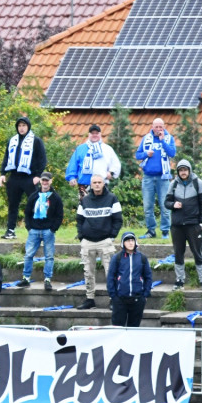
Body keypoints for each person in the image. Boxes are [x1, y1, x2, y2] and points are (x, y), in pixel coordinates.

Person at [75, 174, 122, 310]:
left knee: (111, 272)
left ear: (103, 183)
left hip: (105, 241)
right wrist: (81, 236)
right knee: (88, 272)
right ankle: (90, 299)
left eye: (99, 182)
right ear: (91, 184)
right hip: (87, 241)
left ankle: (113, 299)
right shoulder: (85, 200)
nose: (96, 184)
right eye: (94, 182)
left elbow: (118, 219)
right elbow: (79, 219)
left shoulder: (112, 198)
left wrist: (112, 236)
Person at [165, 159, 202, 292]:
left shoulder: (198, 183)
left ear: (189, 170)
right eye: (181, 170)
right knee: (178, 253)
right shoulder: (173, 184)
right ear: (178, 172)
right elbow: (166, 202)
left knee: (198, 252)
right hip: (177, 225)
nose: (183, 172)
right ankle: (179, 281)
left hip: (193, 225)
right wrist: (173, 205)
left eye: (185, 170)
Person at [0, 116, 46, 239]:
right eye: (19, 126)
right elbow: (6, 157)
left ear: (28, 127)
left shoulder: (36, 141)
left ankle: (36, 230)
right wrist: (2, 173)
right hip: (14, 177)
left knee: (34, 204)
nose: (21, 128)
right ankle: (10, 230)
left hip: (29, 177)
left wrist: (38, 176)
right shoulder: (12, 141)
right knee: (13, 204)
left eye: (24, 125)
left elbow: (42, 160)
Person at [21, 171, 63, 291]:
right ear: (40, 181)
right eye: (43, 180)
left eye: (47, 180)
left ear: (50, 181)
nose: (45, 182)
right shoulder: (34, 196)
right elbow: (27, 212)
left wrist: (53, 229)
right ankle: (26, 278)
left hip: (48, 230)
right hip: (34, 230)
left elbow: (59, 215)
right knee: (28, 254)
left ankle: (47, 279)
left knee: (49, 256)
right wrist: (29, 227)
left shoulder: (55, 198)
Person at [135, 118, 176, 240]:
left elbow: (172, 153)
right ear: (152, 127)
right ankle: (151, 230)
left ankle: (165, 231)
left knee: (165, 205)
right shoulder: (146, 138)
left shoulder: (169, 138)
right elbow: (138, 155)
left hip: (163, 177)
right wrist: (146, 154)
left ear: (164, 127)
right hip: (148, 177)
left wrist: (163, 141)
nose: (158, 129)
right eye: (156, 127)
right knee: (148, 206)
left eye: (161, 127)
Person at [107, 232, 153, 327]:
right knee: (117, 328)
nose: (130, 243)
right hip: (120, 299)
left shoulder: (142, 258)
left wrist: (145, 295)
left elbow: (148, 277)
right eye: (127, 241)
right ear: (123, 243)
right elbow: (110, 277)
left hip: (137, 299)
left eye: (132, 240)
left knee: (134, 329)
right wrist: (113, 296)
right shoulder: (117, 258)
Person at [65, 124, 122, 200]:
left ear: (100, 134)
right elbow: (73, 164)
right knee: (84, 207)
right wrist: (71, 177)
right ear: (89, 134)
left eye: (97, 133)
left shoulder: (107, 149)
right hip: (84, 184)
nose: (94, 135)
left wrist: (111, 172)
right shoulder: (81, 148)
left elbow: (116, 164)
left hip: (101, 183)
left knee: (102, 207)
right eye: (92, 133)